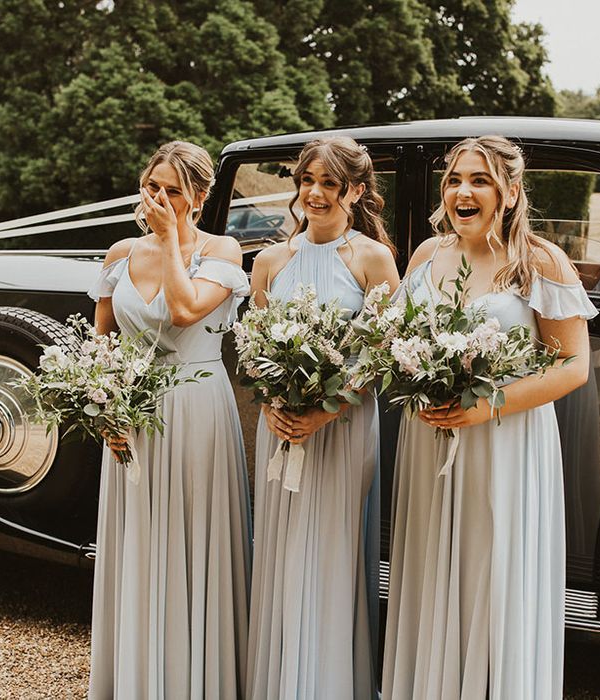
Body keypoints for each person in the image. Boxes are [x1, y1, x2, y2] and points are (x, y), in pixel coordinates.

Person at [381, 135, 598, 700]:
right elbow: (398, 339)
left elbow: (574, 366)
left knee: (494, 576)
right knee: (433, 571)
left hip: (505, 441)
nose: (463, 191)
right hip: (430, 439)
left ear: (509, 191)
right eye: (454, 179)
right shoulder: (429, 256)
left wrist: (487, 405)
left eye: (479, 180)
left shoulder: (538, 261)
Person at [87, 141, 251, 699]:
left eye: (173, 191)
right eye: (151, 187)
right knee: (138, 541)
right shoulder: (119, 254)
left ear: (199, 198)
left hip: (196, 407)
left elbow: (183, 310)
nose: (157, 199)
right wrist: (105, 407)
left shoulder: (223, 251)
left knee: (190, 539)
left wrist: (168, 241)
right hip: (132, 412)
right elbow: (102, 344)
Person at [245, 136, 400, 699]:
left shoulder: (372, 259)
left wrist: (326, 410)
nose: (313, 192)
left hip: (343, 427)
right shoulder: (269, 261)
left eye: (329, 183)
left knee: (329, 552)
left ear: (356, 191)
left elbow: (384, 352)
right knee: (281, 548)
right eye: (307, 180)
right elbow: (254, 347)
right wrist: (271, 401)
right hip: (280, 428)